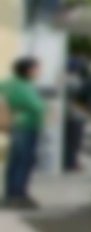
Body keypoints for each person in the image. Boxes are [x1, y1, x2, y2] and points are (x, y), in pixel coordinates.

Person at [0, 58, 45, 208]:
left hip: (14, 126)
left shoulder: (7, 83)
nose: (38, 72)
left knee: (14, 161)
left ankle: (10, 193)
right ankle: (18, 195)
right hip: (26, 127)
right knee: (23, 162)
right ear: (28, 70)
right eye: (36, 68)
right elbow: (37, 106)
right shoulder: (25, 87)